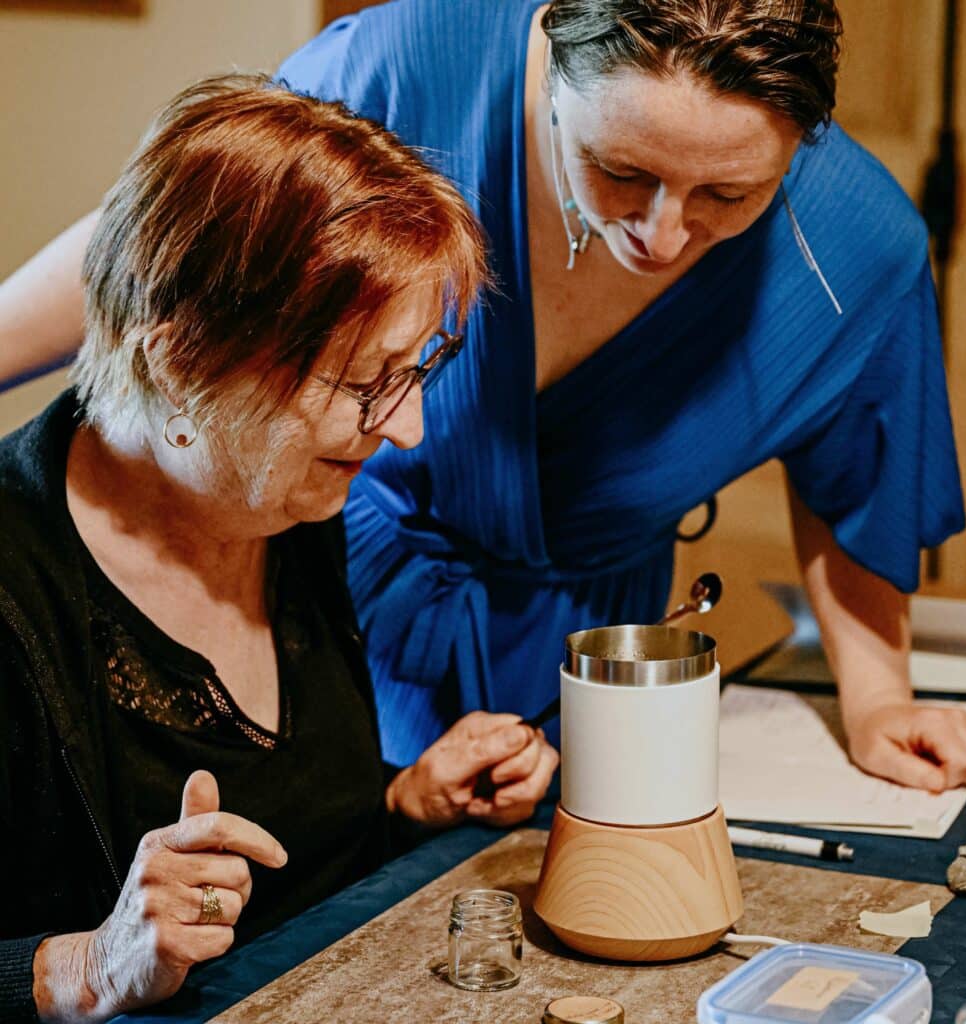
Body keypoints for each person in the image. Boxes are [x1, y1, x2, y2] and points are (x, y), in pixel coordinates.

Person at [0, 0, 966, 794]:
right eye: (619, 170)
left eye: (727, 197)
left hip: (583, 650)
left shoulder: (858, 247)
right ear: (551, 58)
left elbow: (858, 477)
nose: (660, 234)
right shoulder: (402, 66)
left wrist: (877, 700)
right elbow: (175, 251)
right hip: (323, 598)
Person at [0, 74, 558, 1024]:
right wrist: (84, 968)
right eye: (367, 383)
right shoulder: (19, 589)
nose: (408, 429)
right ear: (181, 362)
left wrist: (404, 804)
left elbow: (276, 852)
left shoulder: (283, 501)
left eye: (415, 368)